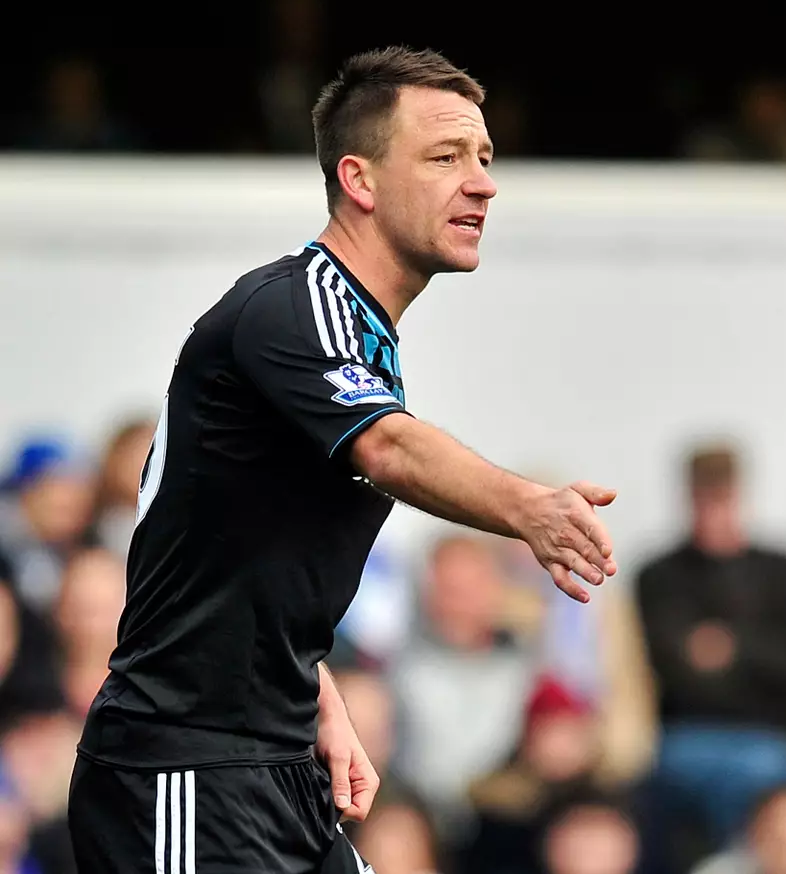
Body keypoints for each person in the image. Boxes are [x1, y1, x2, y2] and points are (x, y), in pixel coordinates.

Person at [67, 45, 620, 874]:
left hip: (275, 764)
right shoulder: (294, 306)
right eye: (445, 157)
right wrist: (529, 508)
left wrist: (316, 695)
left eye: (483, 158)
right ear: (359, 181)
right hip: (183, 770)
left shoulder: (347, 332)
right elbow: (390, 445)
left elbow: (219, 555)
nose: (482, 182)